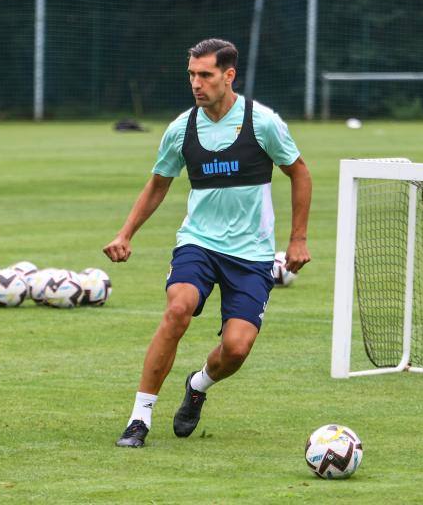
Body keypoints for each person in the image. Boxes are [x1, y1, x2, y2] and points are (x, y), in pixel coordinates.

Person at [103, 38, 312, 448]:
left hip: (251, 254)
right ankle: (139, 418)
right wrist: (125, 233)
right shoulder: (182, 128)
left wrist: (298, 239)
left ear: (228, 75)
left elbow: (300, 173)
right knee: (178, 308)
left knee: (236, 348)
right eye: (192, 75)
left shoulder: (262, 122)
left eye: (206, 75)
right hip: (198, 243)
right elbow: (158, 184)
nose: (196, 84)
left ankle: (198, 384)